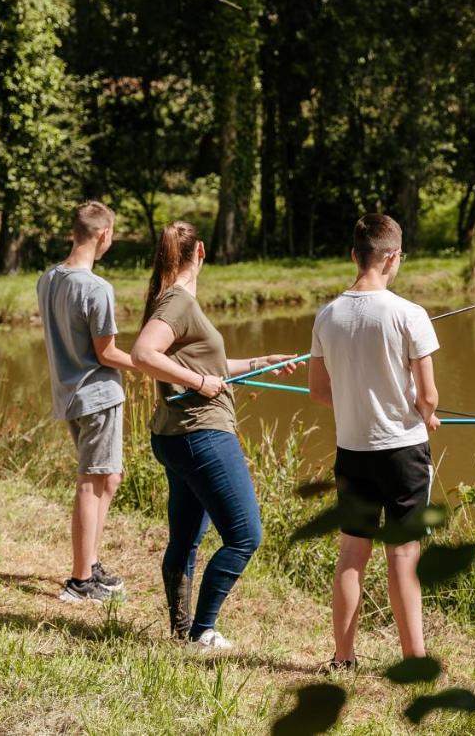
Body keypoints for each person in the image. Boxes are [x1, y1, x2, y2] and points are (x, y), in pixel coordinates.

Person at [131, 221, 297, 651]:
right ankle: (203, 632)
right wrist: (201, 384)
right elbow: (143, 354)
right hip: (201, 434)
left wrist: (261, 360)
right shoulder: (179, 302)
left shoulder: (170, 300)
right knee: (245, 536)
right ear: (200, 251)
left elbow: (205, 363)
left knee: (185, 539)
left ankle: (183, 631)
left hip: (176, 435)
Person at [309, 213, 441, 671]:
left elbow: (319, 391)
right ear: (392, 258)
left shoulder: (327, 315)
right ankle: (414, 661)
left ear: (354, 256)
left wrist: (356, 405)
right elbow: (427, 395)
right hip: (403, 451)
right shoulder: (410, 315)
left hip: (352, 450)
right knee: (403, 556)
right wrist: (427, 414)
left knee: (352, 552)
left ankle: (343, 658)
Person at [36, 201, 135, 604]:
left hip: (70, 395)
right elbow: (107, 353)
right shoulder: (96, 288)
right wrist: (149, 363)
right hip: (97, 395)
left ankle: (90, 564)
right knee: (91, 482)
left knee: (108, 478)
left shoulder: (48, 279)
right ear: (103, 235)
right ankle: (80, 581)